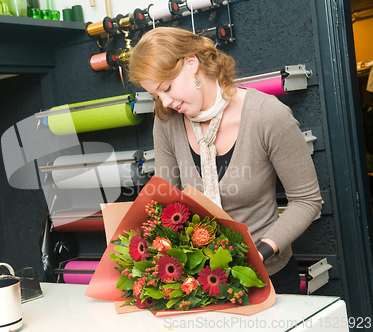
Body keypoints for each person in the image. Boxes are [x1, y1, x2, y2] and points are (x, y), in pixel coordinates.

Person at [127, 27, 322, 294]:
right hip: (200, 283)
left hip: (268, 277)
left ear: (192, 63)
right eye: (156, 95)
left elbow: (307, 200)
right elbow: (166, 201)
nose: (166, 102)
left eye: (167, 88)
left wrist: (261, 251)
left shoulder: (268, 116)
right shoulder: (167, 124)